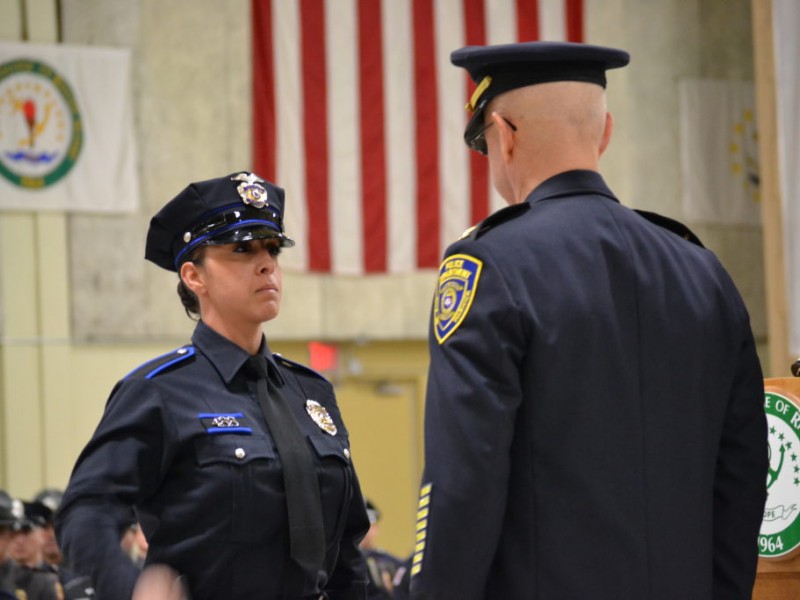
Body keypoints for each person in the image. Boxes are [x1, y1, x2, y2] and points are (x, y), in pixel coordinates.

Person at [408, 41, 768, 599]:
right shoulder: (704, 273)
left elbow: (463, 483)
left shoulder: (492, 266)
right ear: (605, 133)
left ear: (504, 135)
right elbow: (744, 476)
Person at [55, 172, 370, 600]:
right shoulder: (159, 393)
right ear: (193, 276)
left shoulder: (310, 393)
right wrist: (128, 590)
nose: (267, 264)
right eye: (242, 249)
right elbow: (86, 511)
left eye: (272, 249)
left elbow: (346, 549)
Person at [358, 500, 406, 600]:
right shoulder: (338, 561)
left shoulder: (391, 563)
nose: (361, 531)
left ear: (375, 528)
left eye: (367, 526)